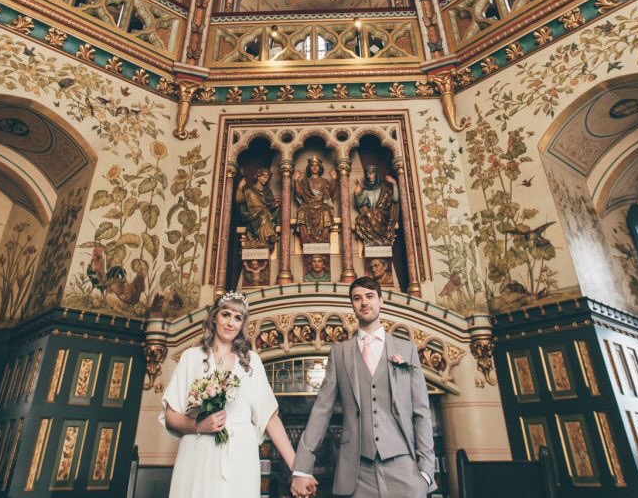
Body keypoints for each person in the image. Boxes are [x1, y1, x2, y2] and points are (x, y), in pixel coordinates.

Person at [291, 277, 435, 498]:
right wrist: (302, 466)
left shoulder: (406, 351)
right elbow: (322, 411)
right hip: (357, 471)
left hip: (405, 468)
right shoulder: (340, 353)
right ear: (352, 305)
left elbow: (421, 411)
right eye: (357, 298)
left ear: (381, 301)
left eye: (369, 296)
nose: (364, 302)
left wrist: (425, 472)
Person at [161, 293, 297, 498]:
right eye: (226, 314)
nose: (230, 323)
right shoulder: (191, 358)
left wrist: (298, 469)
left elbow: (269, 417)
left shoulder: (251, 362)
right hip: (199, 451)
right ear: (214, 317)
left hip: (240, 453)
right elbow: (172, 417)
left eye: (237, 318)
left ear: (242, 324)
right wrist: (199, 426)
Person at [352, 166, 400, 246]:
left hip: (384, 215)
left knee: (372, 213)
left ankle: (381, 239)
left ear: (376, 174)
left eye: (371, 173)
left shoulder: (384, 188)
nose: (369, 176)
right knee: (360, 219)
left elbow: (395, 199)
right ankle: (374, 240)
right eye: (367, 174)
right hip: (370, 215)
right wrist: (356, 194)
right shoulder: (366, 190)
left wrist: (394, 183)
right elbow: (358, 204)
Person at [294, 155, 337, 244]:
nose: (314, 167)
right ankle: (305, 238)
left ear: (320, 167)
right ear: (309, 168)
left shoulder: (324, 181)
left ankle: (324, 237)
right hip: (308, 204)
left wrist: (333, 179)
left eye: (316, 165)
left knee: (326, 211)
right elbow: (299, 194)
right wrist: (296, 180)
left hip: (321, 205)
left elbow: (331, 194)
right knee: (301, 211)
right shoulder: (305, 181)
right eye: (312, 165)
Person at [236, 168, 279, 247]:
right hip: (252, 216)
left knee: (264, 212)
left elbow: (270, 205)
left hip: (265, 215)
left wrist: (276, 205)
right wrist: (240, 187)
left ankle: (266, 238)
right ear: (258, 177)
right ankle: (270, 234)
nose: (266, 180)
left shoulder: (268, 191)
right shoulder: (249, 191)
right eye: (264, 177)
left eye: (268, 178)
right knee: (263, 212)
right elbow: (239, 200)